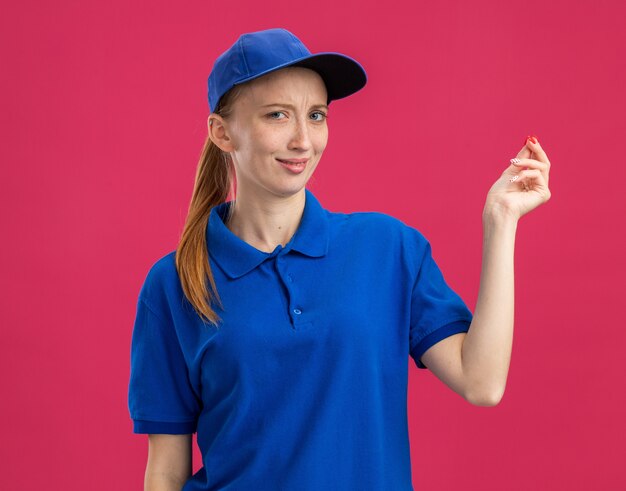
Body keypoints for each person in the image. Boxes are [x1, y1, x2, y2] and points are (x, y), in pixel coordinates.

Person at [127, 27, 551, 491]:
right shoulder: (174, 283)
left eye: (316, 115)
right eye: (277, 115)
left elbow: (482, 381)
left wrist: (501, 221)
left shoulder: (388, 249)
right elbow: (166, 471)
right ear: (222, 132)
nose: (303, 140)